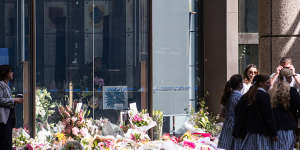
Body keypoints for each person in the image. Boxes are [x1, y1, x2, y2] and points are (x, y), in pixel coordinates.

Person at [240, 75, 277, 150]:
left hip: (250, 133)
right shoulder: (264, 95)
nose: (270, 85)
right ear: (261, 83)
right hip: (262, 133)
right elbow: (268, 116)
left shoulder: (248, 95)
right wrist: (273, 133)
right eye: (267, 83)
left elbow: (239, 111)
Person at [269, 68, 300, 149]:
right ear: (289, 78)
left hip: (274, 128)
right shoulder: (292, 91)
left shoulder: (272, 91)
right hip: (288, 127)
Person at [0, 65, 23, 149]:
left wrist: (14, 100)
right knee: (4, 144)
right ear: (5, 73)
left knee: (7, 143)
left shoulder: (5, 85)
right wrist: (14, 100)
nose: (12, 73)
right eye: (10, 71)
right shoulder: (1, 85)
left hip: (7, 119)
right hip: (3, 121)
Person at [217, 74, 243, 150]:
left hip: (228, 124)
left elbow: (222, 114)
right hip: (235, 125)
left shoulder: (229, 95)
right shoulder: (239, 97)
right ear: (240, 84)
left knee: (228, 146)